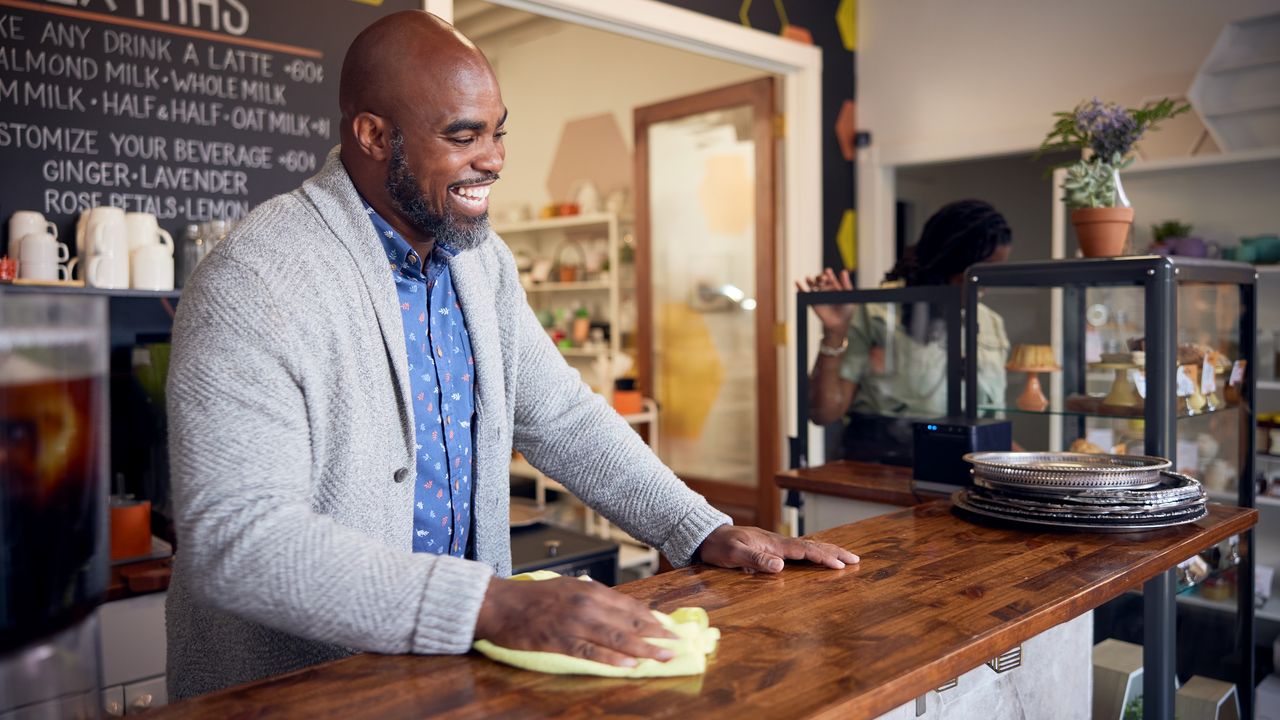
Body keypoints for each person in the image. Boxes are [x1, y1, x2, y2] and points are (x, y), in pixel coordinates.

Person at [164, 10, 858, 700]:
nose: (493, 159)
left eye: (498, 132)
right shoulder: (256, 279)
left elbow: (560, 416)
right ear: (374, 136)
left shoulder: (479, 262)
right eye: (462, 136)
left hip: (452, 679)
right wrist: (492, 605)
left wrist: (699, 528)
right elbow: (240, 540)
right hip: (299, 695)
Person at [798, 200, 1012, 464]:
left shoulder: (991, 323)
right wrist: (834, 332)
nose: (986, 283)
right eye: (981, 269)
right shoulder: (879, 311)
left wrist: (1029, 465)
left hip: (968, 471)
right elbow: (824, 413)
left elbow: (989, 421)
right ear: (951, 258)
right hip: (883, 469)